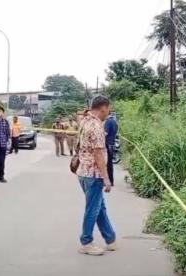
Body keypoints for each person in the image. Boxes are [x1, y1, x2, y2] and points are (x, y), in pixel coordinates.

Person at [76, 96, 116, 256]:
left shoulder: (84, 121)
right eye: (108, 109)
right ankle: (86, 242)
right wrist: (106, 178)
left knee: (99, 207)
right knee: (93, 208)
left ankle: (110, 238)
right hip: (94, 173)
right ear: (103, 108)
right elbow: (98, 154)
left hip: (83, 171)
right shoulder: (96, 126)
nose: (108, 112)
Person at [104, 112, 119, 186]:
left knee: (106, 164)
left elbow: (105, 133)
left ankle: (108, 181)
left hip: (107, 144)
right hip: (112, 143)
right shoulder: (115, 122)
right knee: (110, 164)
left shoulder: (108, 122)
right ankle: (111, 180)